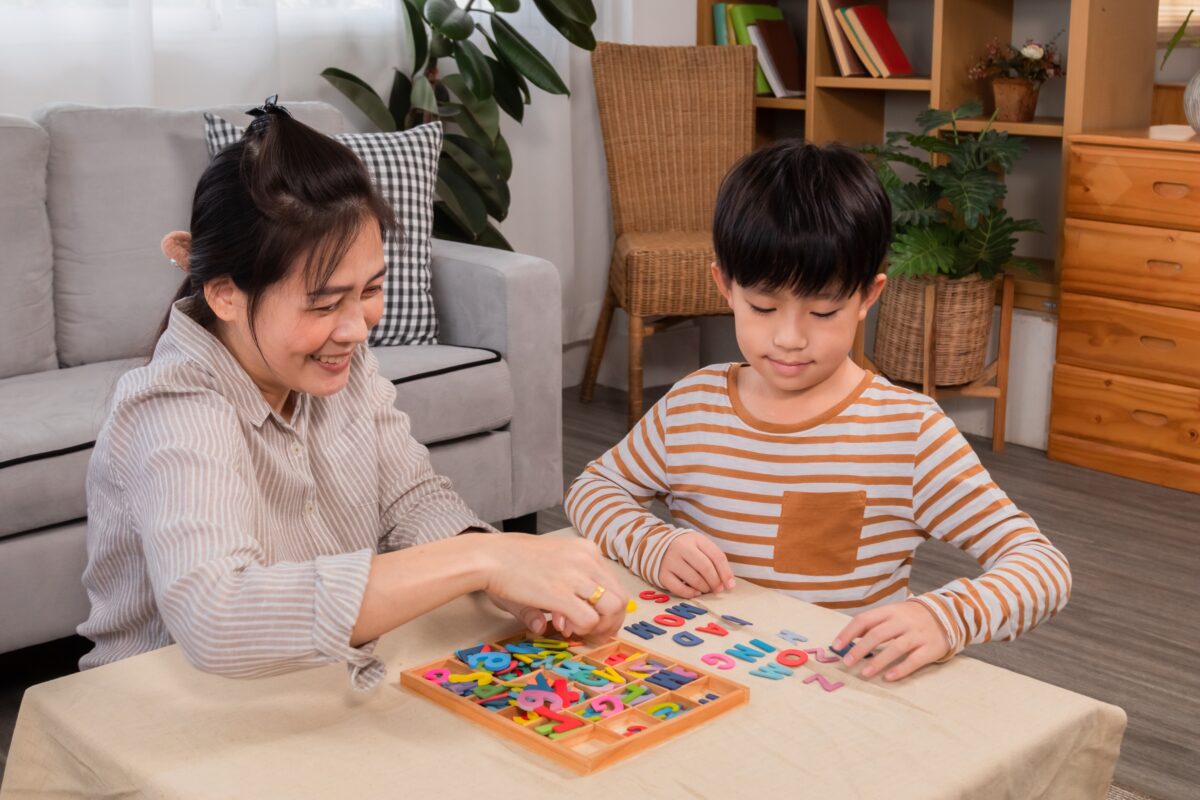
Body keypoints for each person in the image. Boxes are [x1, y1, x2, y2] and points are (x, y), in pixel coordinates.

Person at [78, 100, 625, 690]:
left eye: (371, 289)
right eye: (323, 303)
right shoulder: (174, 407)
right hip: (170, 706)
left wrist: (508, 581)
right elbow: (218, 616)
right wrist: (486, 560)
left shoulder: (339, 364)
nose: (358, 329)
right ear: (226, 295)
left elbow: (412, 502)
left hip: (314, 680)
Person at [566, 139, 1070, 682]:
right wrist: (653, 543)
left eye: (824, 310)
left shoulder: (909, 432)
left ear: (866, 298)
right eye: (762, 306)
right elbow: (591, 491)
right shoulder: (691, 405)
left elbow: (1041, 566)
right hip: (698, 677)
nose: (788, 338)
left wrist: (944, 617)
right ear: (724, 286)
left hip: (836, 694)